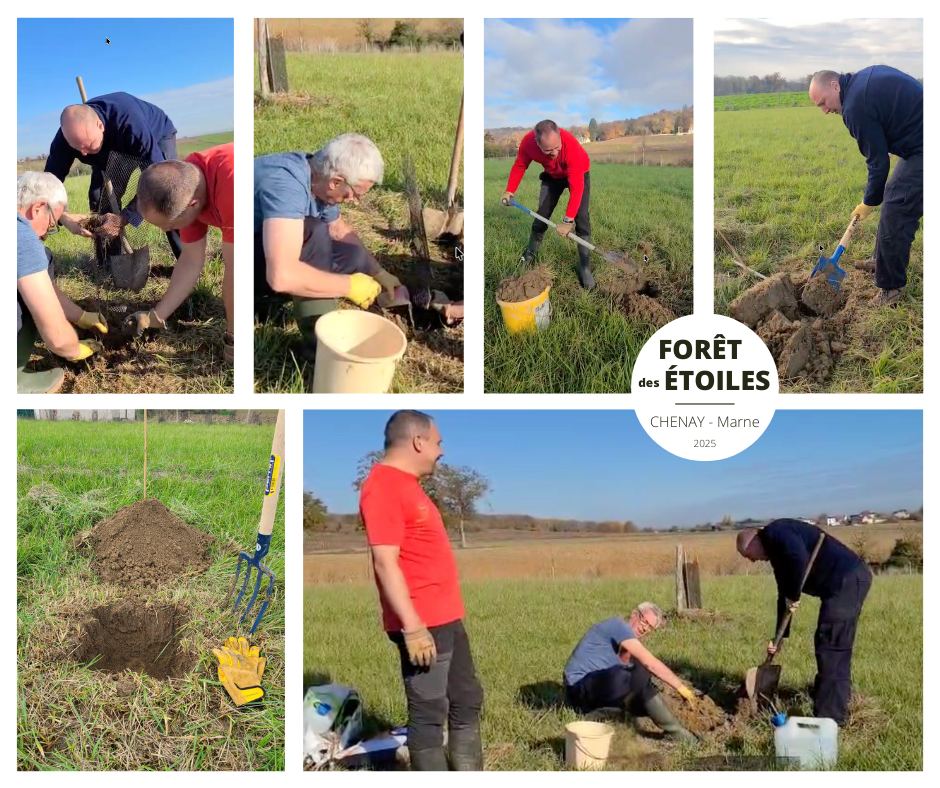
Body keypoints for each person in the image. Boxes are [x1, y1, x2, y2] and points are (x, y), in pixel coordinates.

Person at [359, 411, 484, 771]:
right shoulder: (382, 486)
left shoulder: (407, 485)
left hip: (446, 618)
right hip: (423, 624)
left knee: (467, 698)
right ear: (418, 441)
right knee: (429, 716)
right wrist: (413, 627)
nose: (441, 451)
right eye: (438, 442)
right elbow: (385, 562)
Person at [254, 134, 401, 358]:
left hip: (268, 249)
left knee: (352, 255)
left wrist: (378, 272)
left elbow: (339, 230)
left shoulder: (318, 179)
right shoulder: (285, 185)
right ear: (335, 181)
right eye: (355, 194)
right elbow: (281, 275)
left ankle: (284, 298)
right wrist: (348, 286)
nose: (354, 201)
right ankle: (319, 347)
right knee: (314, 233)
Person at [736, 519, 873, 725]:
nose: (752, 561)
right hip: (841, 585)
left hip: (847, 580)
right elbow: (784, 593)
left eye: (748, 556)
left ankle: (831, 718)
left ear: (752, 542)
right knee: (828, 645)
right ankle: (829, 701)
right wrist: (780, 637)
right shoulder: (777, 550)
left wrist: (794, 593)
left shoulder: (777, 532)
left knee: (832, 647)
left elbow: (797, 557)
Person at [808, 68, 923, 307]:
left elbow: (878, 162)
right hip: (917, 143)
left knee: (897, 209)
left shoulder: (854, 107)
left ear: (835, 86)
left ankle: (891, 288)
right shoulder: (859, 83)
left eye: (824, 103)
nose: (825, 110)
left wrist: (869, 202)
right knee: (893, 193)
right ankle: (881, 261)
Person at [44, 92, 183, 259]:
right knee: (100, 199)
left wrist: (125, 217)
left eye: (87, 146)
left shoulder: (131, 125)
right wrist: (63, 217)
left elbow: (162, 180)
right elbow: (45, 187)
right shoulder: (65, 140)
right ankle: (110, 260)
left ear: (100, 125)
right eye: (77, 149)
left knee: (168, 198)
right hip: (109, 151)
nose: (83, 154)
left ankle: (186, 257)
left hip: (155, 136)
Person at [132, 142, 235, 364]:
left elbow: (237, 273)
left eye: (168, 225)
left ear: (192, 205)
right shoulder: (182, 187)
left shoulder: (232, 186)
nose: (166, 231)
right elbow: (190, 259)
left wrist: (234, 339)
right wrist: (156, 317)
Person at [16, 172, 106, 393]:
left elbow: (42, 284)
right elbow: (57, 338)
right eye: (52, 223)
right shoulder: (20, 236)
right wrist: (75, 349)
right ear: (37, 208)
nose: (47, 233)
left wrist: (80, 316)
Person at [564, 605, 698, 743]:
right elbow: (649, 663)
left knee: (641, 688)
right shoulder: (617, 625)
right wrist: (681, 687)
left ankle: (602, 715)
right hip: (579, 689)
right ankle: (678, 734)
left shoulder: (625, 643)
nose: (645, 628)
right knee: (638, 671)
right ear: (634, 614)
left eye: (650, 627)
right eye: (644, 621)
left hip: (596, 691)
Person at [500, 119, 594, 289]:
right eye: (548, 150)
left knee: (582, 217)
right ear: (537, 143)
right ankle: (530, 253)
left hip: (579, 173)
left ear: (559, 136)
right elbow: (520, 165)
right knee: (541, 216)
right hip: (552, 176)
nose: (554, 153)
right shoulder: (528, 143)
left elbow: (577, 188)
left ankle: (585, 267)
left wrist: (567, 221)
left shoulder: (570, 146)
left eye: (557, 147)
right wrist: (509, 190)